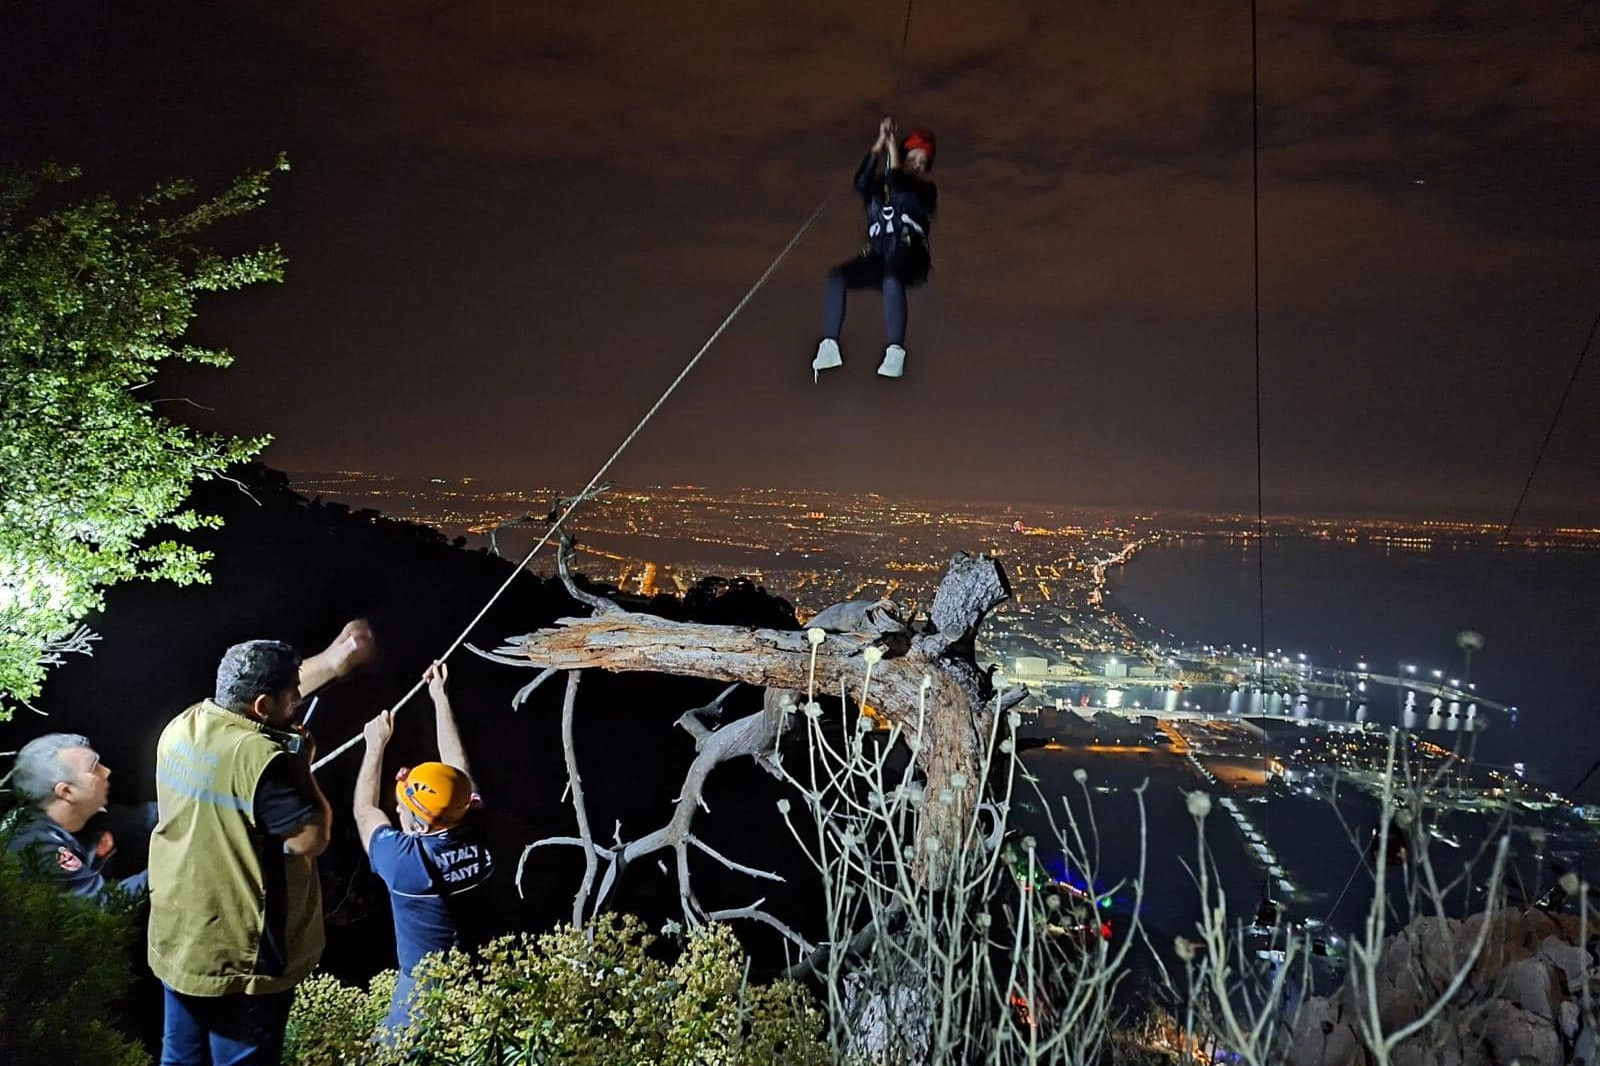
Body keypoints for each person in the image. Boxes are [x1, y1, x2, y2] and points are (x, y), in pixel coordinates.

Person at [147, 620, 374, 1066]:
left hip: (181, 934)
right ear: (263, 705)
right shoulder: (264, 761)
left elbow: (248, 725)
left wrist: (335, 661)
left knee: (180, 1057)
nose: (298, 701)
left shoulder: (185, 725)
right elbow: (311, 838)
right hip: (241, 956)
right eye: (293, 696)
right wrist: (301, 764)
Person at [354, 660, 494, 1034]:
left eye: (402, 805)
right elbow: (458, 772)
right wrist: (439, 697)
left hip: (423, 991)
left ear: (418, 824)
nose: (397, 807)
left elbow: (365, 810)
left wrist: (374, 746)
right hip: (481, 975)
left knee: (397, 1055)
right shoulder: (479, 829)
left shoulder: (407, 864)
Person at [812, 115, 939, 381]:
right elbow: (861, 182)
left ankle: (895, 351)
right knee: (837, 278)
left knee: (893, 278)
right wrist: (880, 144)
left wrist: (893, 150)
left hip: (909, 254)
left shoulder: (925, 190)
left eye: (923, 161)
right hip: (880, 255)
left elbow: (899, 188)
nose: (918, 164)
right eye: (913, 157)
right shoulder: (880, 187)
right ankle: (829, 346)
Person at [3, 732, 156, 904]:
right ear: (66, 792)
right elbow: (101, 907)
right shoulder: (35, 848)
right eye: (94, 768)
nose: (106, 772)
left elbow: (142, 817)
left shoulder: (85, 817)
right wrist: (170, 868)